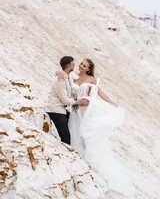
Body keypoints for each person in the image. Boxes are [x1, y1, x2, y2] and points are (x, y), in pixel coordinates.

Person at [57, 58, 134, 196]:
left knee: (86, 135)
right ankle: (77, 159)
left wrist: (112, 104)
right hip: (75, 110)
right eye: (80, 63)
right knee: (74, 132)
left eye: (84, 65)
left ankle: (89, 161)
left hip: (86, 111)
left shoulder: (91, 79)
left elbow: (100, 93)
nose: (80, 66)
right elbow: (62, 73)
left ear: (88, 68)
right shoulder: (73, 76)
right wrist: (58, 72)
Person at [45, 56, 89, 145]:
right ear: (69, 65)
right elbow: (64, 100)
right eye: (73, 63)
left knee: (73, 127)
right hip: (56, 110)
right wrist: (79, 103)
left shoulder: (68, 76)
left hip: (63, 110)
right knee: (66, 138)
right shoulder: (60, 79)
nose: (75, 65)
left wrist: (58, 72)